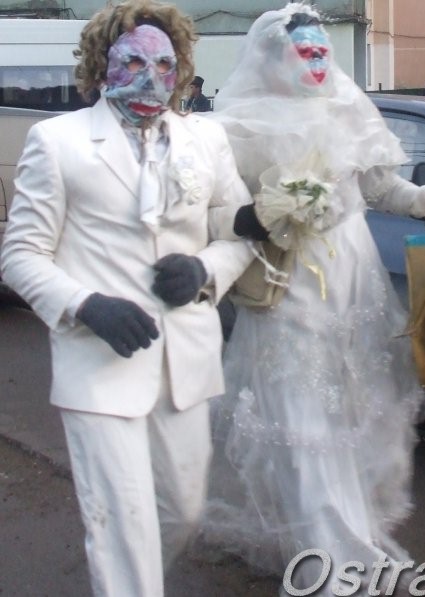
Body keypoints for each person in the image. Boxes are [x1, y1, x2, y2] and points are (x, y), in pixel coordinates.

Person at [196, 4, 425, 595]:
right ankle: (329, 558)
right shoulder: (233, 126)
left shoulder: (347, 108)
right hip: (286, 282)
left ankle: (341, 534)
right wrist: (259, 216)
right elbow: (215, 211)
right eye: (305, 51)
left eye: (323, 51)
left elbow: (381, 188)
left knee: (346, 415)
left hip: (352, 278)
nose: (317, 61)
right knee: (299, 418)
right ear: (273, 57)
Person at [0, 1, 254, 596]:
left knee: (183, 512)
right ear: (102, 65)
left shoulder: (205, 138)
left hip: (186, 362)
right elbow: (20, 254)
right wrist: (85, 305)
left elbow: (239, 233)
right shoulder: (56, 141)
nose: (151, 77)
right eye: (133, 62)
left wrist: (204, 269)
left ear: (181, 68)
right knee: (123, 525)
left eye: (164, 65)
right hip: (98, 367)